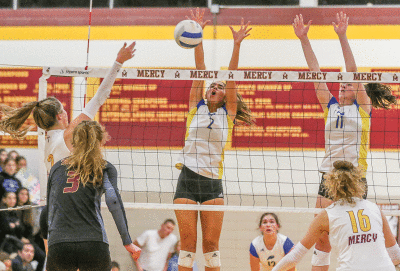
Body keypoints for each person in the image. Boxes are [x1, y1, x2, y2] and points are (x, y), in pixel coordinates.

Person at [293, 12, 397, 270]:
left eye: (348, 84)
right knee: (321, 239)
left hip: (354, 177)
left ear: (358, 89)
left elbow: (352, 70)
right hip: (329, 176)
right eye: (340, 84)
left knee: (357, 236)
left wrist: (342, 36)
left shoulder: (363, 109)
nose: (342, 86)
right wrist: (304, 39)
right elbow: (315, 72)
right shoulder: (330, 107)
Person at [173, 9, 253, 271]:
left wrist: (237, 44)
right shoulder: (195, 107)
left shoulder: (228, 114)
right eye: (212, 86)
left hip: (211, 183)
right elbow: (200, 69)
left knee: (210, 246)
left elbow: (231, 77)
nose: (214, 87)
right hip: (187, 178)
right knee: (187, 245)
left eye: (219, 87)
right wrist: (198, 35)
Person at [0, 41, 136, 174]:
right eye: (64, 111)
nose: (67, 114)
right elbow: (100, 97)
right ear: (60, 116)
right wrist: (118, 62)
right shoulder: (67, 135)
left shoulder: (47, 143)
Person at [46, 120, 141, 270]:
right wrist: (127, 241)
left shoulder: (57, 168)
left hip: (60, 243)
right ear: (100, 141)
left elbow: (49, 209)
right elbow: (113, 201)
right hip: (93, 241)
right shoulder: (104, 167)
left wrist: (50, 243)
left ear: (74, 140)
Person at [271, 160, 400, 271]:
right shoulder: (375, 209)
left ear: (331, 185)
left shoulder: (326, 215)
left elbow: (295, 256)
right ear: (358, 183)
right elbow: (395, 256)